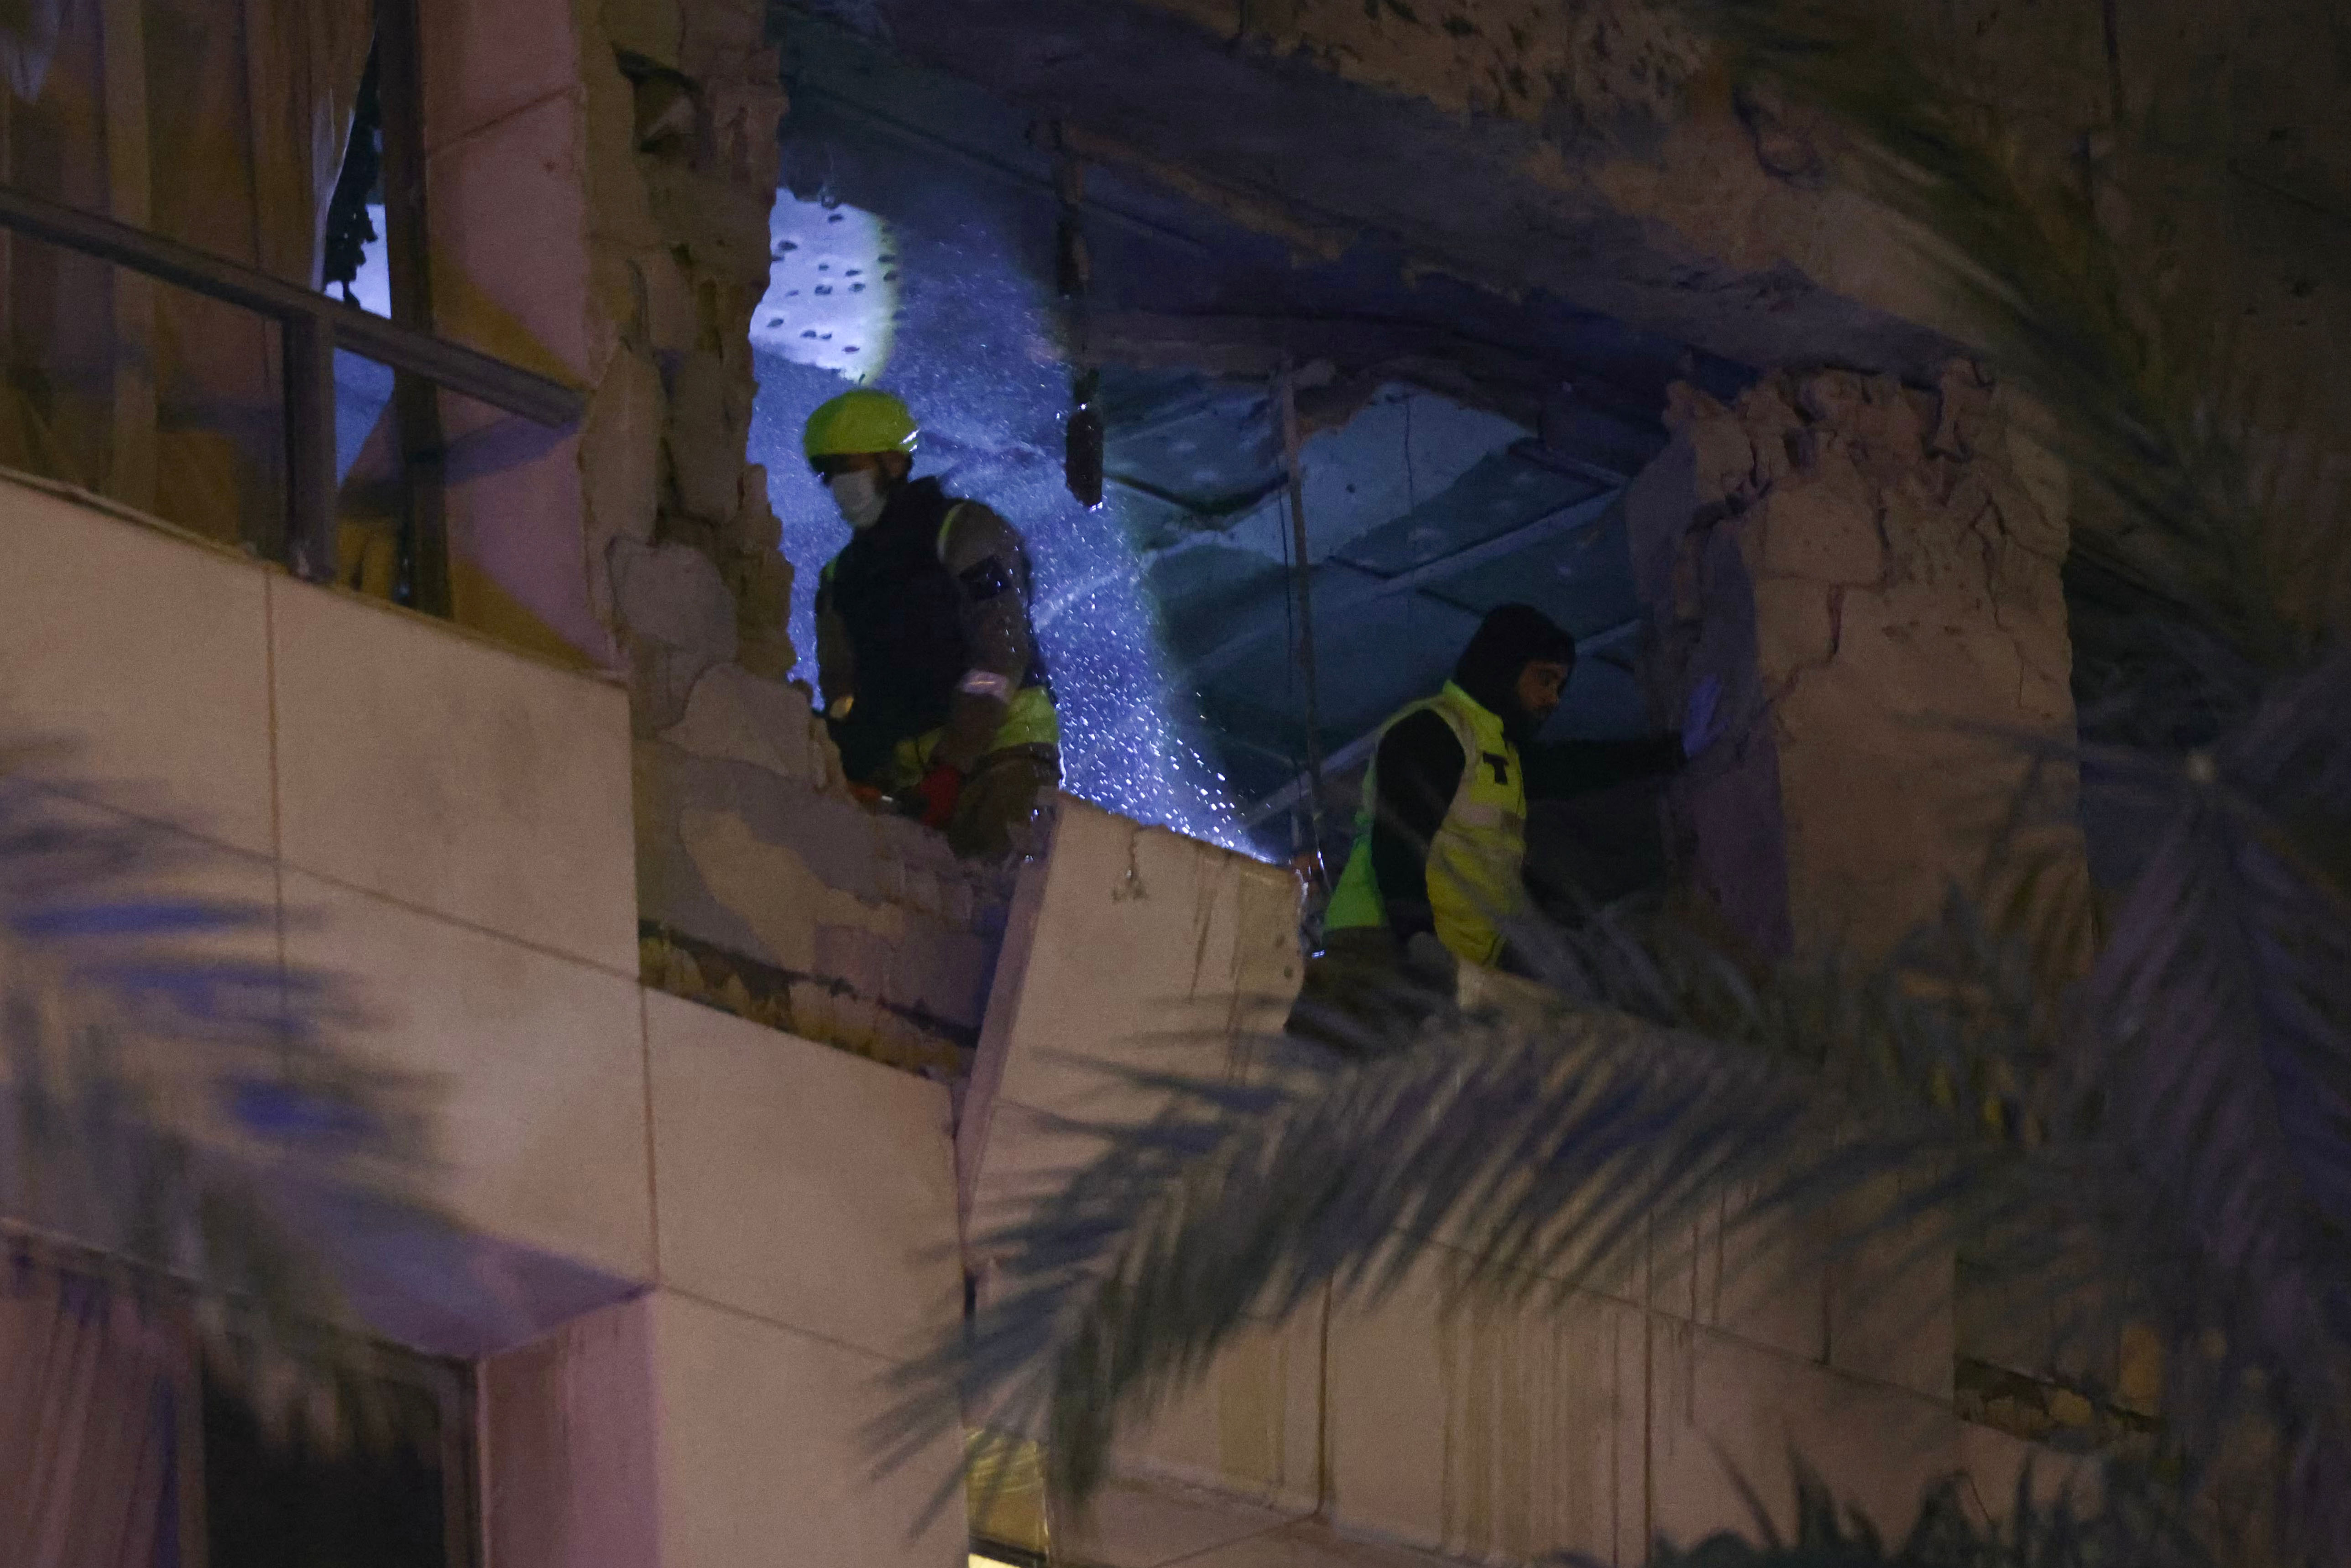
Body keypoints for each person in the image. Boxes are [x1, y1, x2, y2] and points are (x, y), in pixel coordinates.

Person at [1293, 603, 1721, 1048]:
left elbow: (1579, 766)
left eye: (1560, 685)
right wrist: (1414, 933)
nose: (1553, 698)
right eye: (1544, 679)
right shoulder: (1434, 728)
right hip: (1380, 948)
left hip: (1450, 966)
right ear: (1503, 666)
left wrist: (1675, 751)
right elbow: (1397, 839)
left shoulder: (1501, 753)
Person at [806, 388, 1061, 858]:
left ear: (893, 463)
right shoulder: (839, 579)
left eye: (850, 466)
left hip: (1001, 758)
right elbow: (842, 691)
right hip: (912, 785)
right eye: (829, 472)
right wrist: (855, 760)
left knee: (997, 906)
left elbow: (999, 657)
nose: (840, 483)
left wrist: (954, 764)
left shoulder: (965, 531)